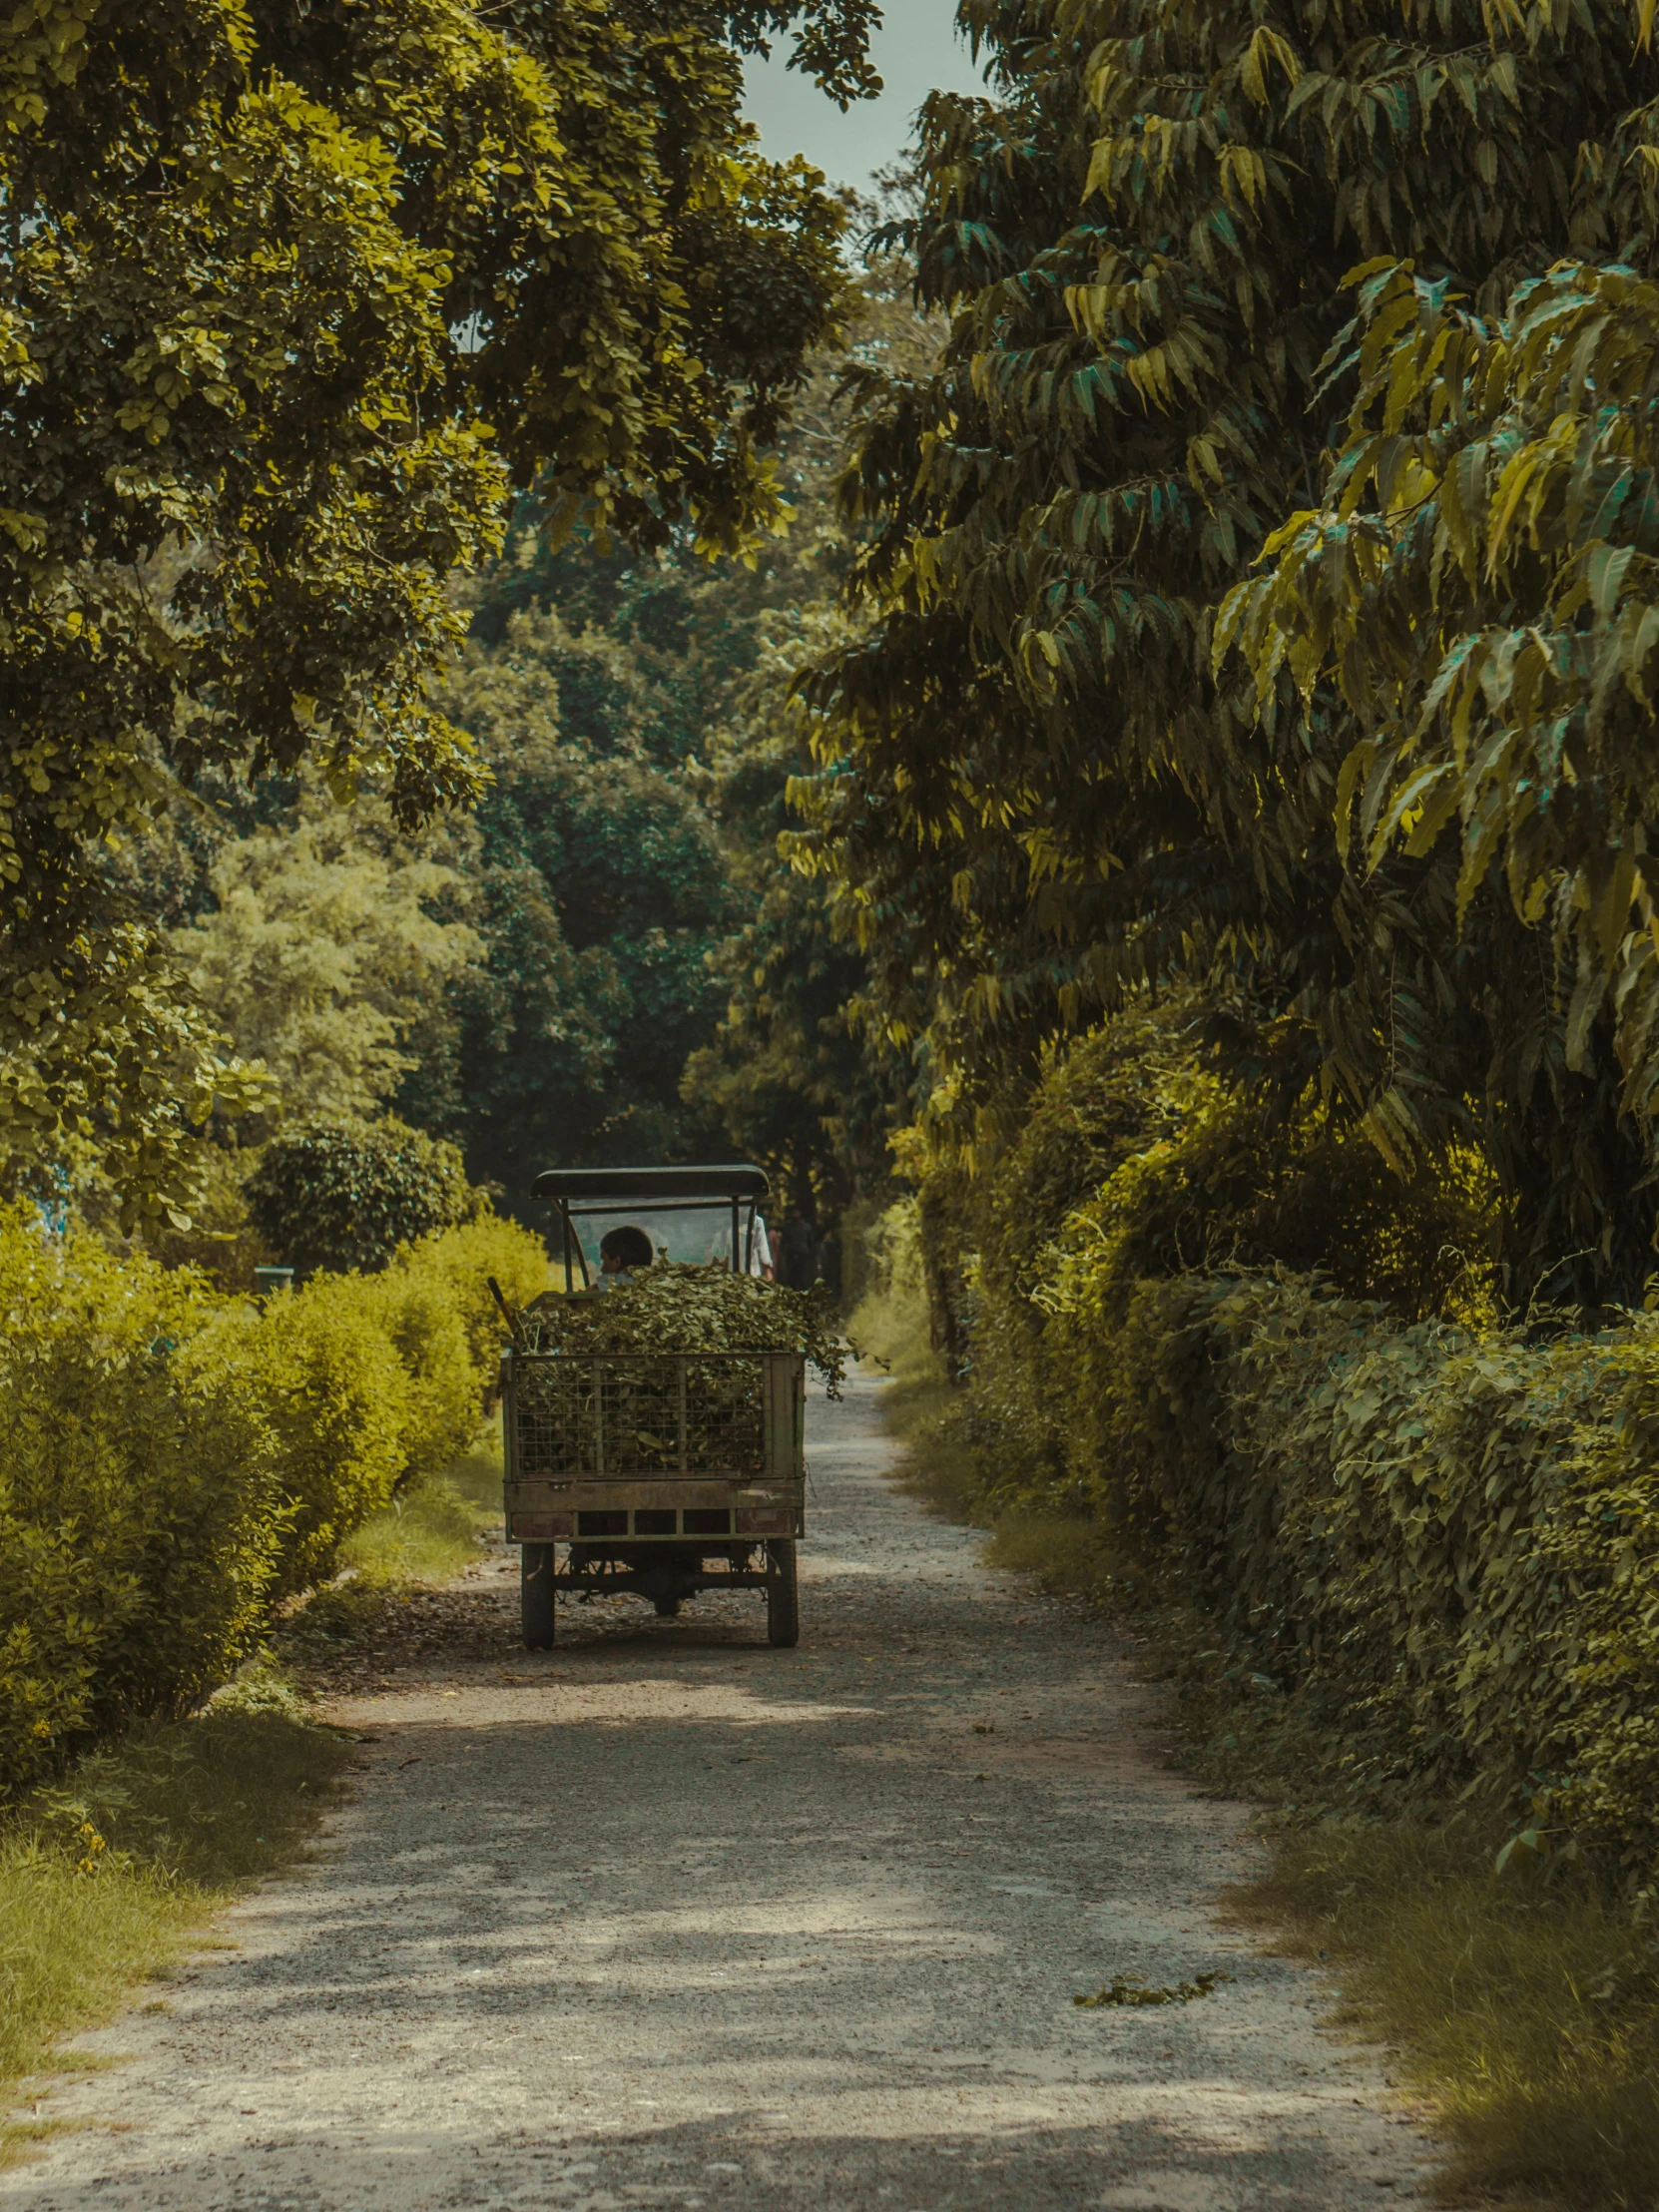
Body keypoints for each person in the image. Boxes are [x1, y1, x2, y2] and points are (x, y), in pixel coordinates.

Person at [777, 1206, 817, 1290]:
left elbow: (811, 1242)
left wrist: (811, 1254)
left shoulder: (806, 1226)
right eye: (793, 1212)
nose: (795, 1214)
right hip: (790, 1255)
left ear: (800, 1213)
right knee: (791, 1278)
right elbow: (783, 1242)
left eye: (796, 1212)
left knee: (803, 1278)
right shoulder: (787, 1226)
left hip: (803, 1255)